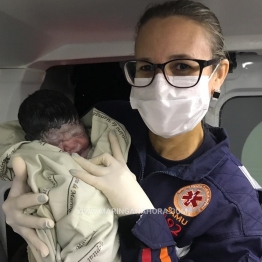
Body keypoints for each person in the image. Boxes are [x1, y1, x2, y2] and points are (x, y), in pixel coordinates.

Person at [2, 1, 262, 261]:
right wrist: (24, 214)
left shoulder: (234, 204)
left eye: (182, 66)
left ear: (218, 75)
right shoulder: (109, 120)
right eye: (147, 67)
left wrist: (138, 213)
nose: (161, 86)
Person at [1, 89, 131, 262]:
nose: (71, 145)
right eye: (55, 142)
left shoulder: (106, 143)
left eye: (77, 134)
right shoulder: (36, 156)